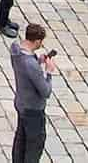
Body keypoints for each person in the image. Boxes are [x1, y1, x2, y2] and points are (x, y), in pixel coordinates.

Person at [10, 22, 55, 163]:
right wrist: (48, 72)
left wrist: (38, 60)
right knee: (34, 146)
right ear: (36, 41)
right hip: (33, 110)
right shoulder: (31, 66)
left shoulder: (15, 49)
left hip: (21, 103)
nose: (41, 45)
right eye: (40, 42)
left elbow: (28, 66)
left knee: (21, 141)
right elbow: (45, 91)